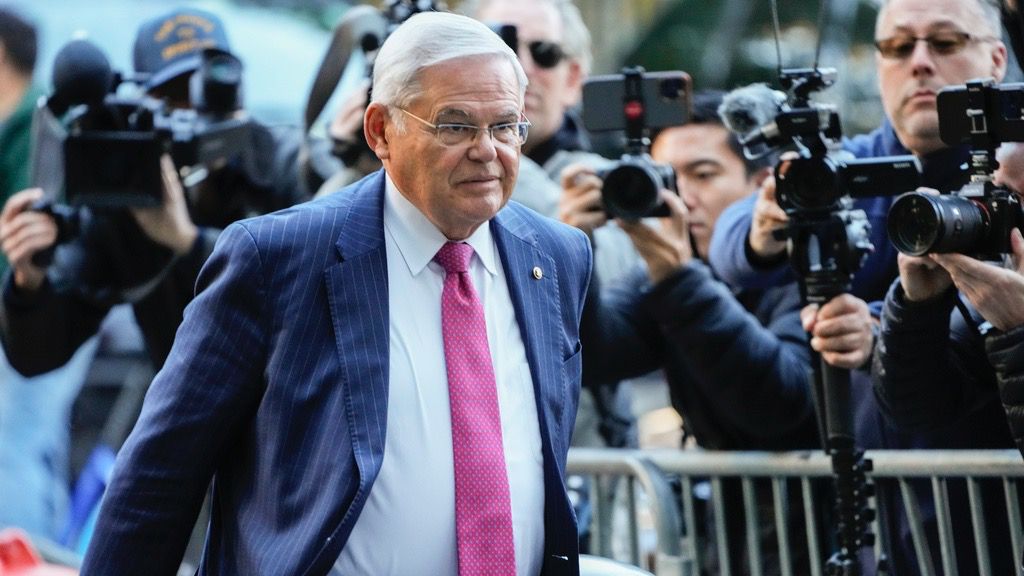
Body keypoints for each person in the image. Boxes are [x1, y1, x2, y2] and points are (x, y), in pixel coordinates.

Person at [80, 11, 591, 576]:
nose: (486, 150)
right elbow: (158, 476)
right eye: (455, 125)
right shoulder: (277, 258)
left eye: (505, 127)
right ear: (379, 132)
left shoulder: (559, 257)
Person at [709, 0, 1014, 572]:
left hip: (994, 511)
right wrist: (765, 226)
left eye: (945, 43)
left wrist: (884, 327)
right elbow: (729, 249)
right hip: (883, 513)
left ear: (996, 58)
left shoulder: (1013, 172)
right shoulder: (855, 165)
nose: (920, 63)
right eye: (898, 48)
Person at [565, 91, 819, 574]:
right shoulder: (668, 273)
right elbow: (592, 357)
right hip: (727, 541)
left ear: (762, 185)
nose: (681, 196)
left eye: (703, 174)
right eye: (665, 177)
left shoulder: (805, 265)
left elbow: (781, 404)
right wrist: (572, 252)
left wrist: (678, 276)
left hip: (822, 533)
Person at [0, 7, 307, 378]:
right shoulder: (129, 195)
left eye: (209, 90)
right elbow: (38, 356)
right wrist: (29, 282)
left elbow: (307, 297)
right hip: (198, 416)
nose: (194, 112)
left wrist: (189, 242)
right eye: (176, 95)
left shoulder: (286, 163)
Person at [0, 7, 102, 543]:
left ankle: (19, 558)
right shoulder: (22, 120)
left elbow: (31, 232)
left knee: (11, 446)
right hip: (32, 307)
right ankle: (47, 553)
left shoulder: (37, 124)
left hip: (44, 304)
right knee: (35, 444)